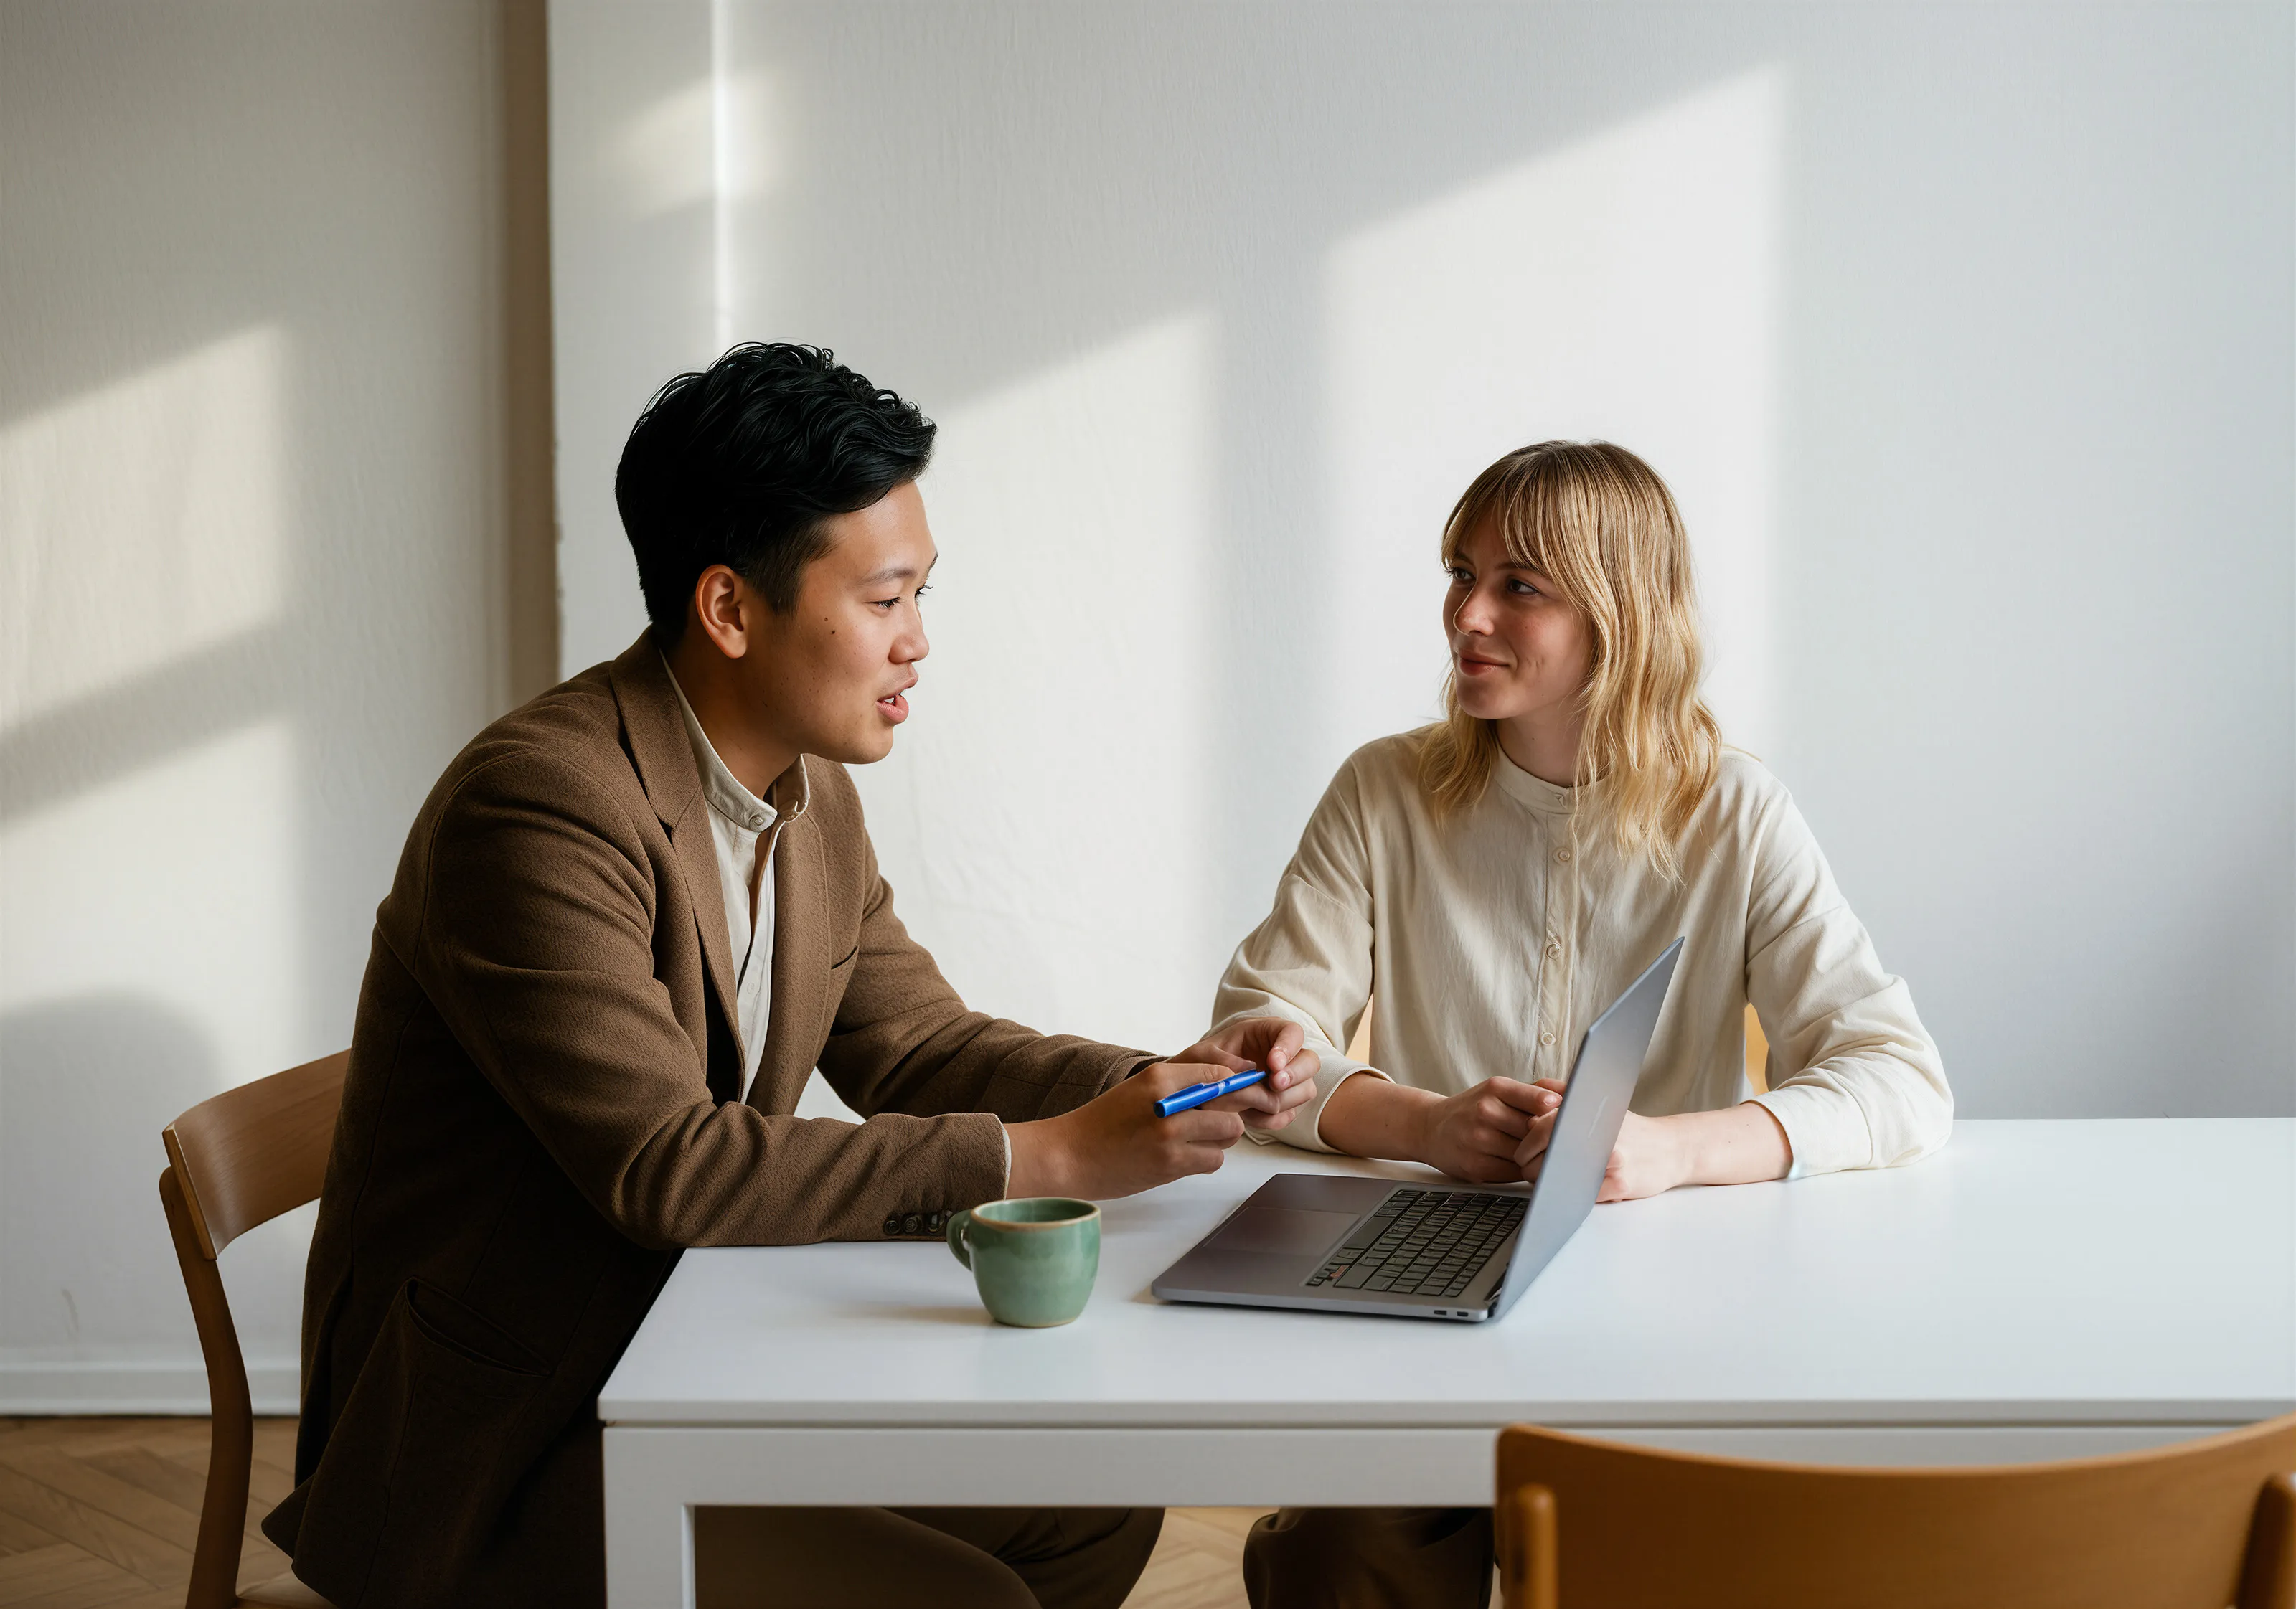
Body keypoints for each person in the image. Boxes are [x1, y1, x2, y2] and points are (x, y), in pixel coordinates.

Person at [261, 343, 1318, 1609]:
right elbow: (668, 1165)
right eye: (884, 600)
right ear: (729, 608)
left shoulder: (804, 794)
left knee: (1091, 1499)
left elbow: (918, 1048)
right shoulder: (540, 806)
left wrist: (1166, 1081)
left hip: (692, 1349)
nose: (920, 642)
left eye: (924, 593)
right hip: (508, 1442)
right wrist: (1051, 1157)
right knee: (961, 1598)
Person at [1210, 440, 1952, 1609]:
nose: (1467, 612)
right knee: (1343, 1560)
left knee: (1665, 1558)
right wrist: (1427, 1123)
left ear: (1619, 611)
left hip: (1658, 1309)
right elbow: (1257, 1047)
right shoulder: (1382, 792)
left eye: (1520, 585)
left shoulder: (1736, 811)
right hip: (1417, 1300)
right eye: (1461, 573)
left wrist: (1665, 1149)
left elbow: (1901, 1079)